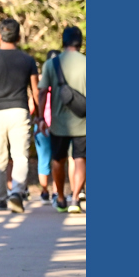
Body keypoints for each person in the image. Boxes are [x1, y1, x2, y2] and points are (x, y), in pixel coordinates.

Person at [0, 18, 42, 213]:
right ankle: (17, 194)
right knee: (20, 157)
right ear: (19, 37)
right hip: (19, 111)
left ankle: (0, 199)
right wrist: (39, 115)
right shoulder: (27, 60)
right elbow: (35, 92)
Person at [37, 26, 86, 213]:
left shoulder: (52, 64)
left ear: (63, 41)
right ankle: (75, 198)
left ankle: (60, 197)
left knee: (58, 159)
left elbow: (42, 92)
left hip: (58, 122)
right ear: (80, 42)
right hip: (83, 121)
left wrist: (41, 117)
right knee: (80, 158)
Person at [33, 50, 61, 202]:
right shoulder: (65, 80)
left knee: (43, 159)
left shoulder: (40, 83)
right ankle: (56, 192)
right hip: (60, 124)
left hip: (42, 124)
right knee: (58, 159)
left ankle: (45, 192)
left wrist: (38, 118)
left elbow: (32, 106)